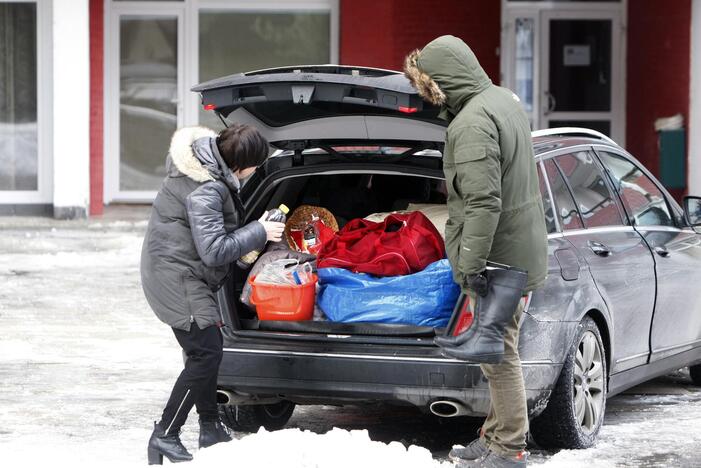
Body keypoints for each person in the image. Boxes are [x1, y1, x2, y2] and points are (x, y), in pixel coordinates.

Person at [404, 36, 548, 467]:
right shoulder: (502, 100)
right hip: (518, 248)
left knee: (499, 353)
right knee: (497, 350)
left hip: (498, 257)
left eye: (425, 85)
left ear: (440, 80)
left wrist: (469, 265)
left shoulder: (471, 123)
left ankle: (509, 448)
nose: (425, 95)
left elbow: (483, 202)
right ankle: (495, 435)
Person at [140, 124, 285, 464]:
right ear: (242, 165)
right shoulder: (206, 189)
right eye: (256, 166)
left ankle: (210, 429)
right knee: (205, 354)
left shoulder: (207, 171)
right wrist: (260, 230)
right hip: (177, 278)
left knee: (205, 352)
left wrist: (255, 230)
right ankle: (165, 434)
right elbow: (215, 251)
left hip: (180, 271)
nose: (255, 172)